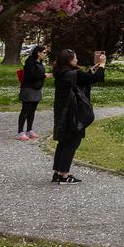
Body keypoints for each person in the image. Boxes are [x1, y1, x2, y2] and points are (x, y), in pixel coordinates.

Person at [50, 48, 104, 184]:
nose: (77, 60)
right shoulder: (73, 74)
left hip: (62, 112)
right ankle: (64, 175)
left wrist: (91, 70)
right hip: (73, 113)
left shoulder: (61, 73)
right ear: (69, 61)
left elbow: (83, 79)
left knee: (63, 142)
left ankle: (57, 172)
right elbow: (95, 79)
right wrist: (102, 65)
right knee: (72, 143)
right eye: (75, 58)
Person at [16, 45, 46, 140]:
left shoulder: (40, 62)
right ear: (38, 53)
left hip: (37, 89)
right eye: (44, 52)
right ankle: (20, 132)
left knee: (32, 111)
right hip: (29, 88)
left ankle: (29, 130)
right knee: (25, 110)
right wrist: (44, 75)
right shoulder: (30, 62)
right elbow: (32, 75)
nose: (45, 55)